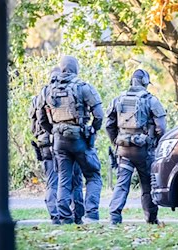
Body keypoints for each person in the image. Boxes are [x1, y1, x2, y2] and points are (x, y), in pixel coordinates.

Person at [37, 56, 104, 224]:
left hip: (58, 140)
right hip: (79, 138)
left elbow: (41, 118)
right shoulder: (83, 87)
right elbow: (99, 115)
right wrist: (93, 129)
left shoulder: (47, 90)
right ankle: (92, 214)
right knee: (93, 175)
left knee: (64, 179)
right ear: (76, 69)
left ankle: (65, 217)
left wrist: (53, 130)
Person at [106, 69, 166, 225]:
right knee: (147, 186)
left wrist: (116, 141)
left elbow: (109, 125)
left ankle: (114, 217)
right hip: (144, 151)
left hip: (124, 150)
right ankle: (151, 219)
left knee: (122, 184)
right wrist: (155, 143)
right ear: (145, 82)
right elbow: (161, 128)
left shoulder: (117, 100)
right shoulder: (151, 100)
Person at [29, 67, 85, 224]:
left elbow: (35, 123)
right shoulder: (66, 92)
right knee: (73, 180)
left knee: (53, 181)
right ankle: (76, 215)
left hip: (46, 144)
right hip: (62, 140)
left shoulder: (39, 97)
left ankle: (56, 215)